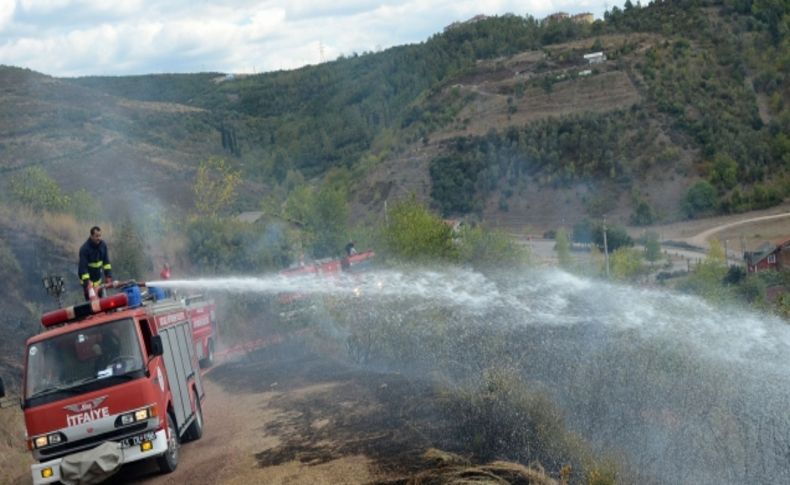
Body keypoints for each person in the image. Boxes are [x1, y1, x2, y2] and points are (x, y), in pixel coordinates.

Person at [78, 226, 113, 300]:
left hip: (99, 283)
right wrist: (87, 282)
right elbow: (83, 268)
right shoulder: (84, 249)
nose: (99, 238)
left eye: (100, 236)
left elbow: (106, 263)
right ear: (91, 236)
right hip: (88, 284)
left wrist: (108, 275)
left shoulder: (103, 246)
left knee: (103, 302)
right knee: (92, 306)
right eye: (96, 236)